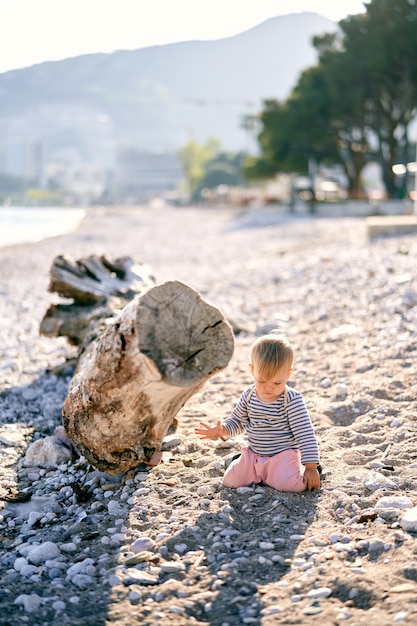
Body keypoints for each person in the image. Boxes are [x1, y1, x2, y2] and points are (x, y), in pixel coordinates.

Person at [195, 332, 321, 492]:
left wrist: (311, 466)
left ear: (288, 374)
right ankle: (244, 464)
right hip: (254, 455)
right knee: (230, 481)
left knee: (293, 486)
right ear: (252, 370)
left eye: (277, 382)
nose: (269, 387)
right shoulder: (249, 394)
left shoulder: (291, 400)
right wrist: (223, 429)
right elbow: (238, 421)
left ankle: (299, 470)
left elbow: (305, 434)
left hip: (282, 456)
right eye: (261, 381)